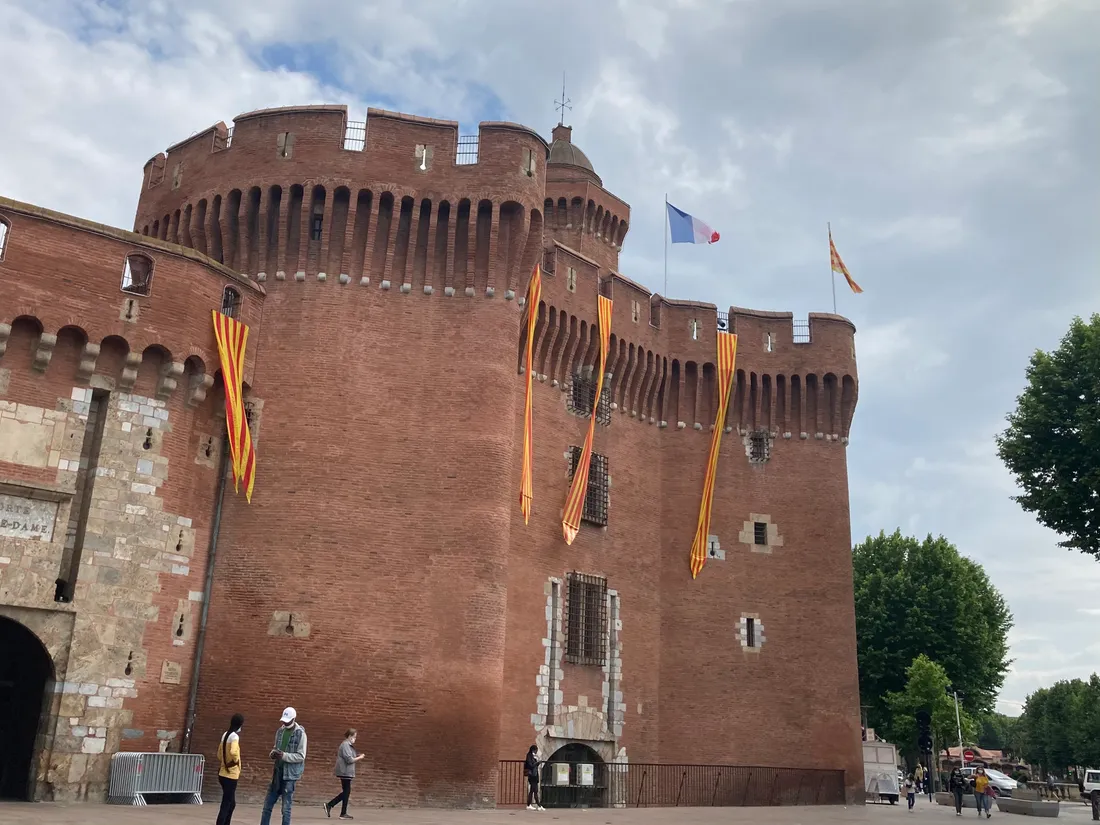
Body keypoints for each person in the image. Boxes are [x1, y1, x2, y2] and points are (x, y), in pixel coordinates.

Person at [260, 707, 307, 825]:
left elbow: (301, 756)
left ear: (294, 719)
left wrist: (284, 756)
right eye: (284, 720)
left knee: (286, 808)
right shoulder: (280, 731)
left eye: (288, 720)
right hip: (278, 772)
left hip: (290, 775)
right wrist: (273, 754)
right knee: (267, 805)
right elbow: (276, 747)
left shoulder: (300, 734)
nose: (285, 722)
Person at [324, 728, 365, 820]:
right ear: (349, 736)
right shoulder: (345, 745)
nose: (355, 739)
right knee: (346, 791)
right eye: (354, 737)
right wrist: (360, 758)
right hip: (345, 771)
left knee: (346, 792)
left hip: (347, 772)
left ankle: (336, 809)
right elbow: (349, 760)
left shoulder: (348, 745)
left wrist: (357, 756)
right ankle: (335, 808)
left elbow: (350, 757)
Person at [215, 713, 244, 825]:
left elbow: (218, 754)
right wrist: (236, 760)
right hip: (231, 774)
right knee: (227, 803)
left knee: (231, 803)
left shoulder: (225, 735)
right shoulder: (235, 737)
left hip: (222, 773)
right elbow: (233, 751)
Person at [524, 745, 544, 811]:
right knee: (534, 790)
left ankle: (529, 805)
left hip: (534, 775)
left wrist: (537, 763)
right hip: (532, 775)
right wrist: (536, 763)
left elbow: (534, 765)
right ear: (533, 750)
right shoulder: (529, 756)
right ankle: (539, 805)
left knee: (533, 791)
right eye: (536, 750)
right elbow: (530, 765)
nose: (536, 752)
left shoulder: (532, 756)